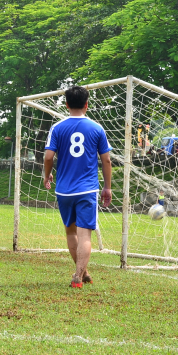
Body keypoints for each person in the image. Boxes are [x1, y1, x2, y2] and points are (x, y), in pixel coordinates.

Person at [43, 85, 112, 289]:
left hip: (64, 190)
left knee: (71, 233)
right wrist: (107, 188)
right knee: (85, 235)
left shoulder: (57, 128)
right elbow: (106, 161)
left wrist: (47, 176)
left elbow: (48, 156)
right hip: (87, 189)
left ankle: (83, 272)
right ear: (86, 104)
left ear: (66, 105)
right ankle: (77, 276)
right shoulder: (97, 128)